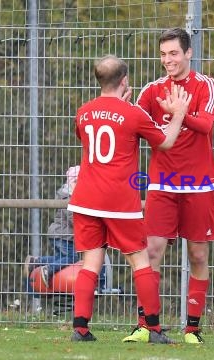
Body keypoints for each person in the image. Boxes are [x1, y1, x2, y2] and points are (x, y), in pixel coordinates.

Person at [68, 54, 191, 343]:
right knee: (141, 261)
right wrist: (180, 114)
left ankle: (81, 327)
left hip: (85, 199)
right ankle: (154, 328)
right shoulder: (133, 113)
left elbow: (88, 135)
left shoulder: (83, 112)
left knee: (90, 263)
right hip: (119, 202)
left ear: (98, 80)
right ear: (125, 81)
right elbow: (166, 142)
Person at [123, 28, 214, 344]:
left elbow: (205, 125)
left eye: (174, 53)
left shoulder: (207, 86)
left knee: (198, 255)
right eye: (164, 54)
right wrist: (120, 108)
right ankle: (146, 325)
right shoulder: (152, 91)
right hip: (161, 183)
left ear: (188, 53)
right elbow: (131, 124)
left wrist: (180, 113)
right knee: (151, 251)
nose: (168, 60)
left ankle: (192, 328)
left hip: (199, 184)